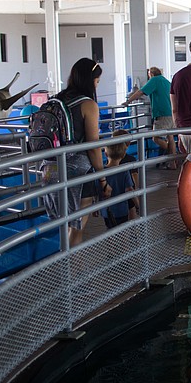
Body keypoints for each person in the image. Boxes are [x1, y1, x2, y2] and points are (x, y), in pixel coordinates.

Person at [39, 58, 104, 247]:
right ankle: (71, 274)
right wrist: (102, 177)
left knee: (64, 226)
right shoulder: (88, 105)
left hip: (49, 170)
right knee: (76, 230)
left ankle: (67, 270)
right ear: (90, 80)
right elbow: (93, 146)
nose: (97, 86)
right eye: (97, 81)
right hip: (77, 173)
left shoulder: (55, 100)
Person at [124, 67, 176, 169]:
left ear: (151, 74)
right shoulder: (166, 81)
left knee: (155, 138)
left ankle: (173, 156)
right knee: (170, 138)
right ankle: (173, 163)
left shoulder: (154, 80)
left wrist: (128, 101)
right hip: (171, 113)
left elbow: (140, 92)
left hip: (161, 114)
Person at [99, 136, 134, 229]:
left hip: (106, 211)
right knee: (123, 231)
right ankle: (124, 244)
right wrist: (138, 205)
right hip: (122, 210)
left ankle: (111, 244)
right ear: (123, 155)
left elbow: (97, 190)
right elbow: (129, 189)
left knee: (110, 230)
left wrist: (95, 207)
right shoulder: (124, 170)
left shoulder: (101, 172)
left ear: (105, 154)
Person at [112, 129, 140, 220]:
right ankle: (133, 232)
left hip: (114, 192)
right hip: (128, 190)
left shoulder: (110, 160)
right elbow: (134, 176)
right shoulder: (130, 159)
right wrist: (137, 191)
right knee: (132, 212)